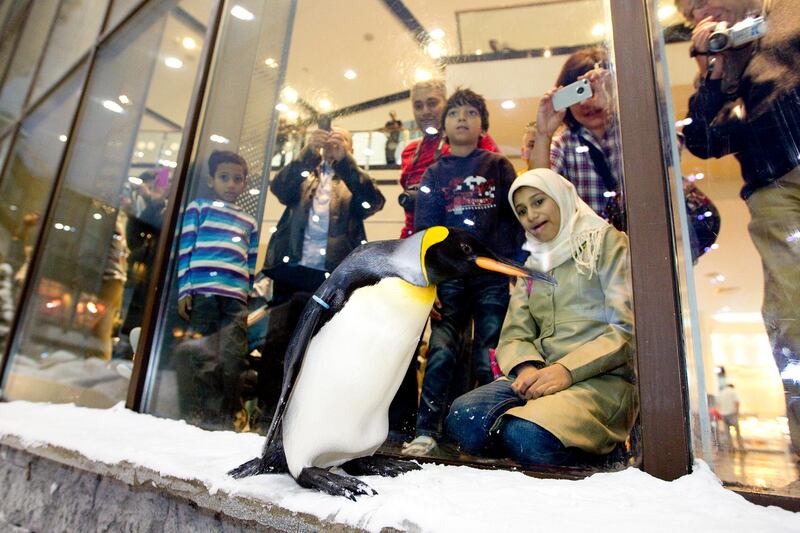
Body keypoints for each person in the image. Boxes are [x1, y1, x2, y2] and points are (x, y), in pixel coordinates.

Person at [444, 168, 637, 466]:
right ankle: (528, 439)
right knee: (462, 419)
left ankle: (601, 453)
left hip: (599, 382)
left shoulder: (606, 242)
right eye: (521, 211)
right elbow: (515, 333)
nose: (531, 216)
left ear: (562, 198)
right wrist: (526, 369)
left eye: (538, 202)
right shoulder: (533, 265)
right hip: (537, 379)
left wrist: (566, 370)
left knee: (525, 436)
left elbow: (625, 330)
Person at [679, 0, 800, 456]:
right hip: (776, 187)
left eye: (700, 1)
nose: (697, 11)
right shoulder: (726, 56)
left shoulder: (789, 11)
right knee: (790, 310)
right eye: (690, 11)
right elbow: (705, 141)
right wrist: (714, 73)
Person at [402, 88, 522, 456]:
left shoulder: (499, 166)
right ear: (444, 125)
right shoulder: (435, 174)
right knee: (440, 352)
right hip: (449, 278)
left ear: (482, 124)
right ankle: (426, 430)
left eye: (471, 112)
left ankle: (492, 432)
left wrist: (511, 266)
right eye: (455, 113)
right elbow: (425, 231)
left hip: (490, 276)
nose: (462, 118)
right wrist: (429, 282)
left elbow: (514, 219)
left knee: (491, 354)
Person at [176, 150, 259, 428]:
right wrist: (185, 290)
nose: (231, 184)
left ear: (244, 184)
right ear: (211, 180)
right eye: (224, 177)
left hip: (235, 299)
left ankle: (226, 415)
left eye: (237, 179)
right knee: (204, 356)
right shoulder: (198, 209)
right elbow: (185, 250)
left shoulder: (249, 222)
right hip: (204, 293)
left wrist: (246, 295)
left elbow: (250, 263)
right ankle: (205, 415)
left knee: (232, 356)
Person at [263, 125, 385, 304]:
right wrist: (308, 152)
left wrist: (345, 162)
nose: (332, 143)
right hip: (291, 270)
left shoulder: (355, 180)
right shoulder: (305, 174)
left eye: (339, 139)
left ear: (351, 149)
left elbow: (373, 202)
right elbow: (279, 188)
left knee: (327, 329)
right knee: (283, 327)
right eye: (328, 138)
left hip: (335, 276)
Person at [530, 47, 625, 230]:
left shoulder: (632, 131)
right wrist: (543, 134)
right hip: (589, 249)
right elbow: (536, 191)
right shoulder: (563, 144)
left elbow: (669, 151)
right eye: (577, 92)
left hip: (644, 241)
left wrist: (619, 101)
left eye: (593, 90)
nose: (585, 103)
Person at [398, 79, 499, 239]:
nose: (425, 111)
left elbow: (494, 198)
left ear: (446, 105)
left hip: (468, 242)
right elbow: (410, 217)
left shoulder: (473, 141)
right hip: (420, 241)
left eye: (432, 103)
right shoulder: (409, 152)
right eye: (418, 106)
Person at [717, 383, 745, 451]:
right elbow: (737, 402)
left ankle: (731, 448)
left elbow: (718, 404)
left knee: (727, 433)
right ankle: (741, 447)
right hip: (732, 414)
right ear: (732, 387)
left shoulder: (721, 393)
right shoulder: (733, 391)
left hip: (723, 414)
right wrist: (737, 412)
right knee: (737, 431)